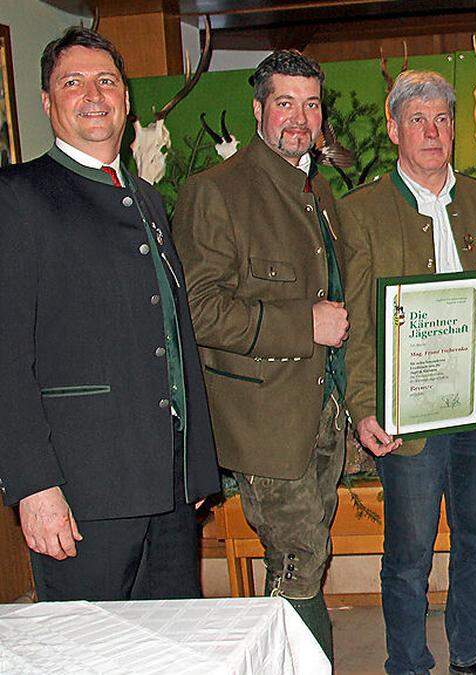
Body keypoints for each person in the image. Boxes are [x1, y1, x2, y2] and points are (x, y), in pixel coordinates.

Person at [0, 26, 219, 601]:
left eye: (107, 81)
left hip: (168, 486)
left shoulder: (146, 197)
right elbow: (5, 359)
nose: (93, 95)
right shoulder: (16, 198)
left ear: (126, 98)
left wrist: (195, 466)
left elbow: (174, 334)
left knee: (175, 646)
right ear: (48, 102)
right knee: (92, 653)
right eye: (73, 83)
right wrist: (34, 487)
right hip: (80, 493)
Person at [337, 70, 476, 675]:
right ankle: (408, 663)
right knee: (411, 548)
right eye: (417, 120)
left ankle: (471, 653)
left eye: (442, 119)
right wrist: (363, 406)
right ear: (394, 129)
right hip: (407, 405)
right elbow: (358, 323)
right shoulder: (358, 212)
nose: (432, 131)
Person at [173, 50, 347, 659]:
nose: (299, 119)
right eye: (284, 103)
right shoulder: (215, 191)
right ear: (258, 110)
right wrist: (305, 324)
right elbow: (197, 309)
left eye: (311, 104)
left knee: (302, 556)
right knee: (302, 559)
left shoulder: (317, 190)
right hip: (266, 422)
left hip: (323, 417)